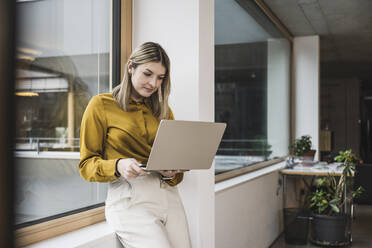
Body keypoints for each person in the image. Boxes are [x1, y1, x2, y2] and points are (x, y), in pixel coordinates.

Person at [78, 42, 192, 248]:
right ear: (130, 67)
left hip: (168, 195)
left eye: (160, 78)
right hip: (129, 197)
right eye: (147, 74)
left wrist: (170, 172)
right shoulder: (101, 105)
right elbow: (86, 166)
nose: (153, 83)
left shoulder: (164, 111)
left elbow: (176, 174)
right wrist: (118, 165)